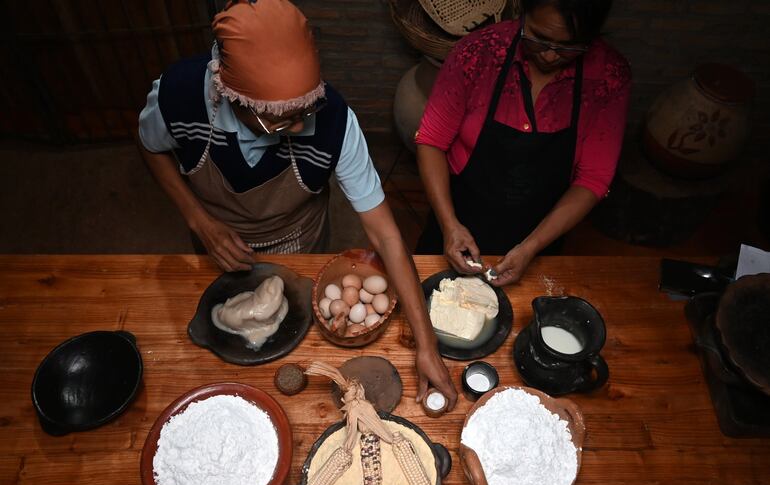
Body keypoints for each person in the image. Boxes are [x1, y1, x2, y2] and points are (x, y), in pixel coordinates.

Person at [137, 0, 456, 408]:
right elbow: (150, 147)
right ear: (231, 97)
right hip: (218, 242)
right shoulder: (178, 95)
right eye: (281, 120)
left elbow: (385, 234)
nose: (302, 125)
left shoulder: (335, 120)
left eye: (307, 108)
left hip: (300, 241)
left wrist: (426, 344)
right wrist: (199, 221)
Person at [415, 0, 631, 286]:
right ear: (522, 13)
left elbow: (593, 178)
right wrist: (449, 225)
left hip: (541, 232)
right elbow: (431, 141)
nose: (550, 56)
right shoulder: (478, 52)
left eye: (569, 46)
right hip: (459, 215)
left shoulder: (608, 76)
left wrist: (531, 247)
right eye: (538, 39)